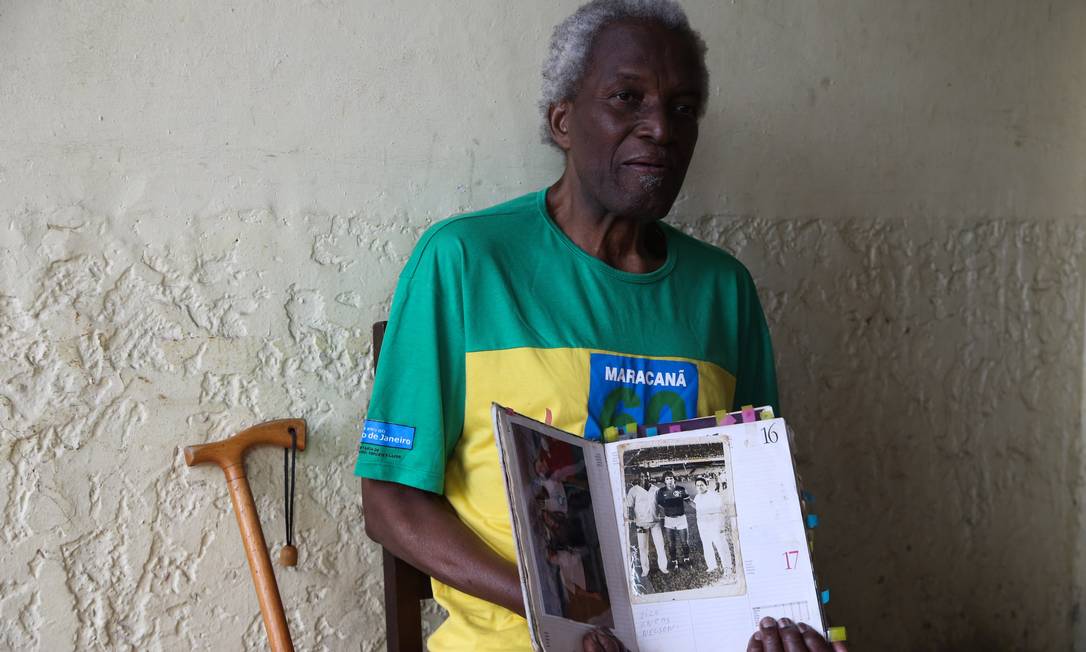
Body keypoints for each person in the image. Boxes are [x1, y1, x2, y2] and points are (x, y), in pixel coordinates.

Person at [357, 1, 843, 650]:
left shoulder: (722, 291)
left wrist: (778, 624)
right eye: (626, 97)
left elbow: (760, 509)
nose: (660, 130)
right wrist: (562, 612)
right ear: (563, 120)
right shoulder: (466, 262)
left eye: (682, 108)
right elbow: (391, 500)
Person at [624, 470, 668, 577]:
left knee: (660, 545)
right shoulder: (634, 490)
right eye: (642, 476)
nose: (644, 478)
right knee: (643, 547)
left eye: (646, 476)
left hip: (655, 523)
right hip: (641, 524)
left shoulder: (655, 489)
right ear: (639, 478)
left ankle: (663, 567)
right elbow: (628, 504)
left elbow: (662, 504)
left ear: (649, 477)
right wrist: (629, 518)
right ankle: (645, 570)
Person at [692, 475, 732, 574]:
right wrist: (687, 501)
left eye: (702, 485)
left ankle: (727, 567)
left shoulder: (714, 495)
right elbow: (697, 508)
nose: (700, 487)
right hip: (702, 524)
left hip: (714, 523)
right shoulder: (697, 496)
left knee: (721, 545)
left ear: (707, 485)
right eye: (697, 485)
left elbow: (721, 510)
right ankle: (712, 565)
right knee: (707, 545)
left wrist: (721, 525)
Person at [655, 471, 692, 569]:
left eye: (671, 478)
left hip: (681, 519)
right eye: (667, 479)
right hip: (669, 520)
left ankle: (686, 559)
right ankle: (674, 560)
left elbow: (689, 501)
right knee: (671, 543)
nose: (669, 480)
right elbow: (659, 503)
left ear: (674, 479)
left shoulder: (681, 489)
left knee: (685, 542)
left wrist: (701, 508)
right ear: (664, 481)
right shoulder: (661, 491)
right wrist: (668, 509)